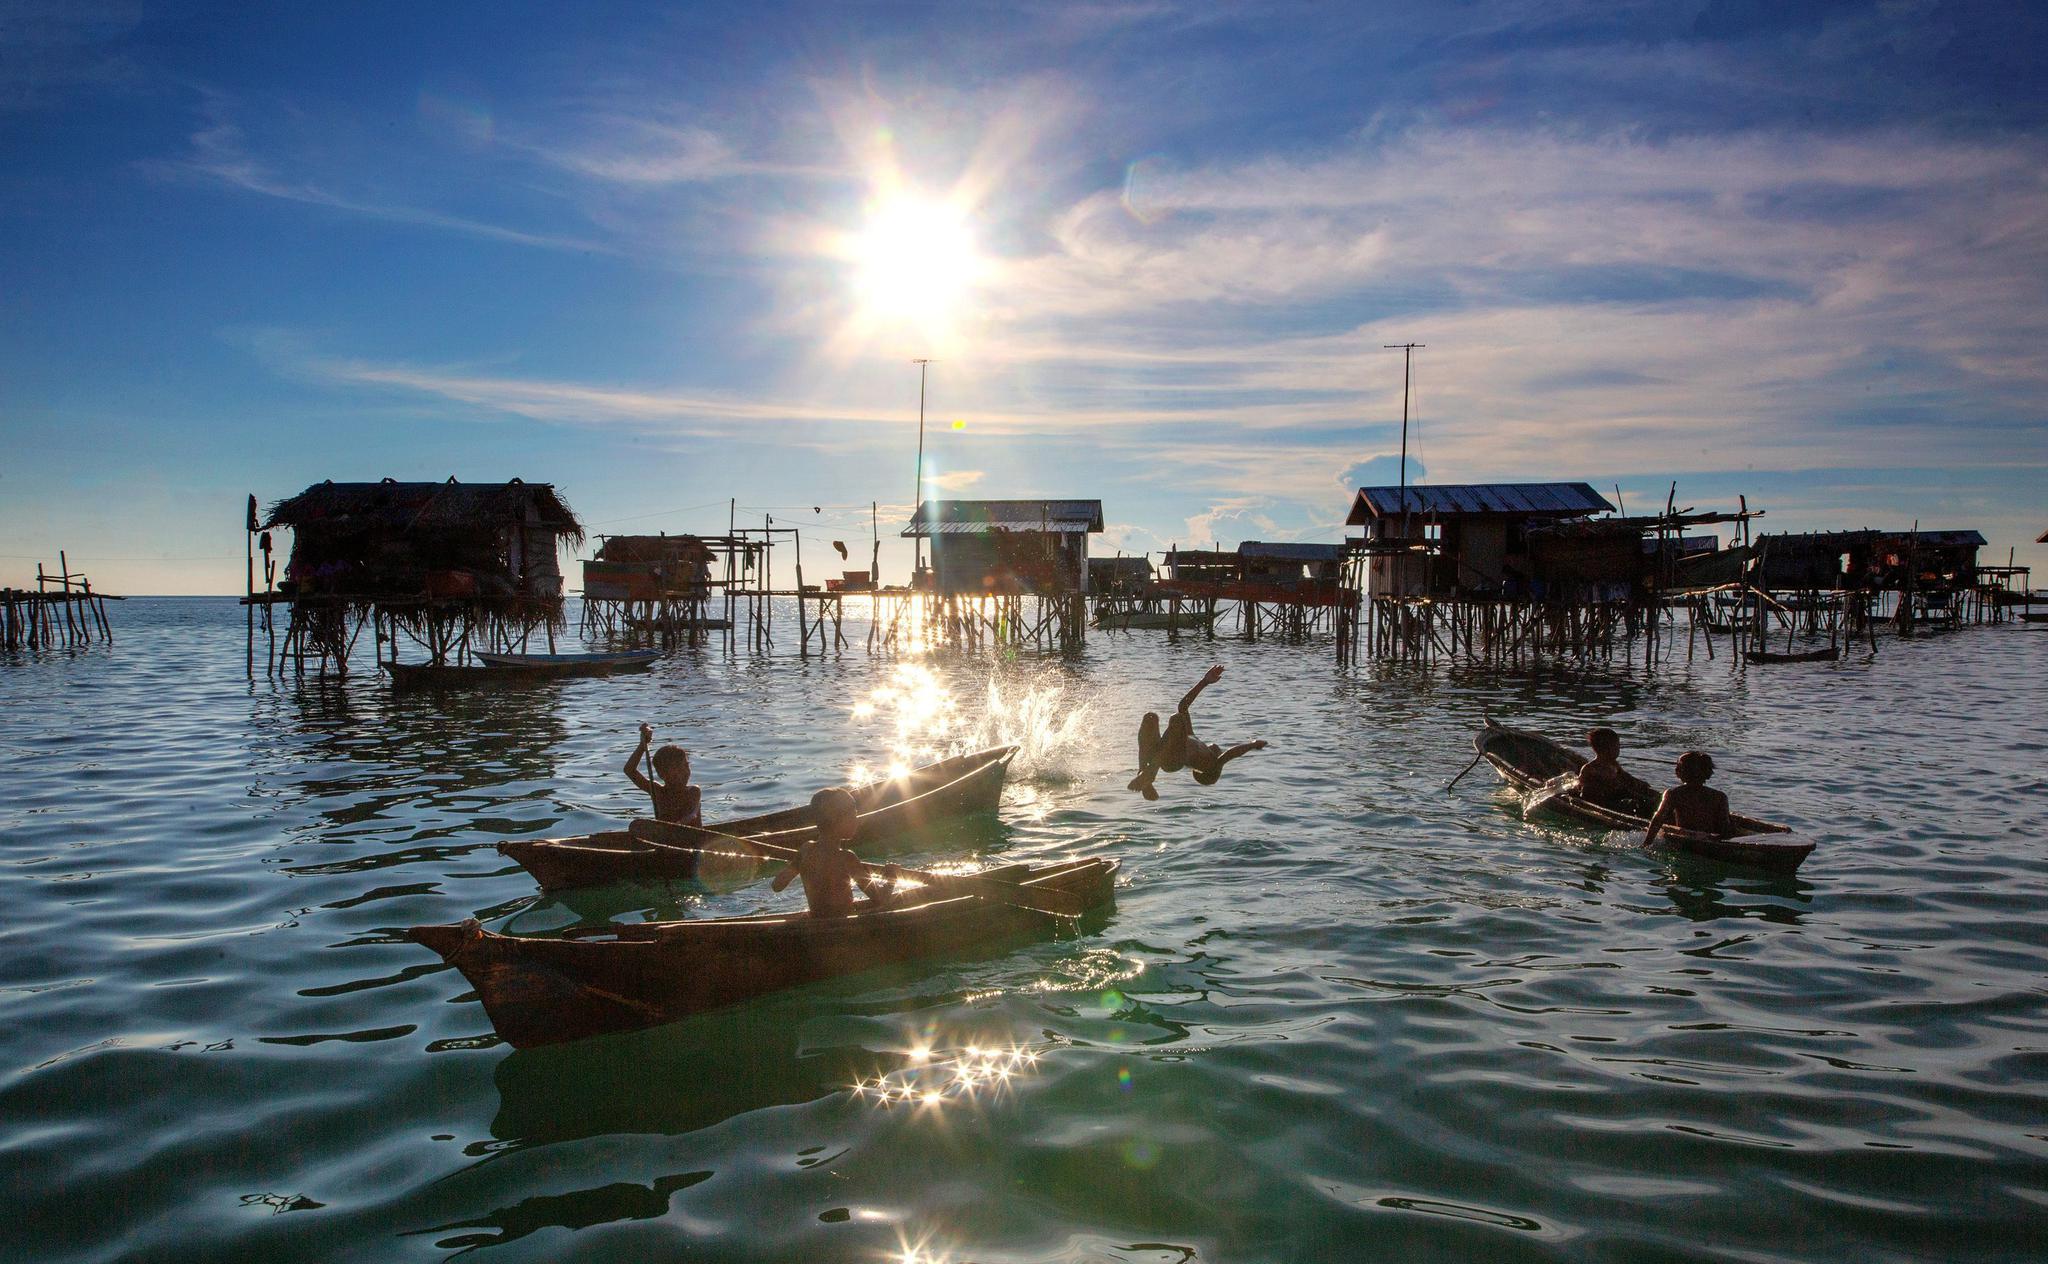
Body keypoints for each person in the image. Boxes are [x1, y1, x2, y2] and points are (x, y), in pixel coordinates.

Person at [1127, 664, 1268, 801]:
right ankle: (1144, 773)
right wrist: (1205, 682)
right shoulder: (1191, 736)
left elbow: (1231, 754)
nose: (1218, 749)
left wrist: (1253, 745)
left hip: (1173, 761)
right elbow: (1183, 706)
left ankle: (1150, 773)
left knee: (1177, 719)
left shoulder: (1211, 763)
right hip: (1158, 754)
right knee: (1150, 717)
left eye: (1219, 754)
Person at [770, 787, 901, 918]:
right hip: (842, 924)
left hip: (816, 920)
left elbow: (777, 886)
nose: (856, 820)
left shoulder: (805, 850)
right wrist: (891, 876)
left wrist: (799, 864)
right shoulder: (846, 858)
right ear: (837, 820)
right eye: (853, 815)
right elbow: (881, 898)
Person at [1643, 751, 1734, 844]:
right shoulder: (1720, 796)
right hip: (1710, 842)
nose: (1675, 770)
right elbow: (1724, 828)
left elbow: (1658, 819)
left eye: (1679, 767)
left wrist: (1646, 843)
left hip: (1684, 841)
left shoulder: (1674, 793)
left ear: (1686, 771)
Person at [624, 723, 702, 826]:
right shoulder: (657, 791)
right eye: (678, 768)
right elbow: (629, 770)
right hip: (666, 834)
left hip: (692, 834)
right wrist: (642, 746)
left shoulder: (693, 791)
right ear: (662, 774)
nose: (685, 771)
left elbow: (692, 815)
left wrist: (675, 826)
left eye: (686, 766)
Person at [1577, 727, 1652, 811]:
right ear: (1606, 749)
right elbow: (1582, 788)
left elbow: (1626, 776)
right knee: (1631, 803)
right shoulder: (1590, 768)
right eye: (1617, 746)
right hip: (1603, 801)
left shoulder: (1614, 764)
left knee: (1640, 797)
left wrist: (1639, 783)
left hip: (1615, 795)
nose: (1619, 749)